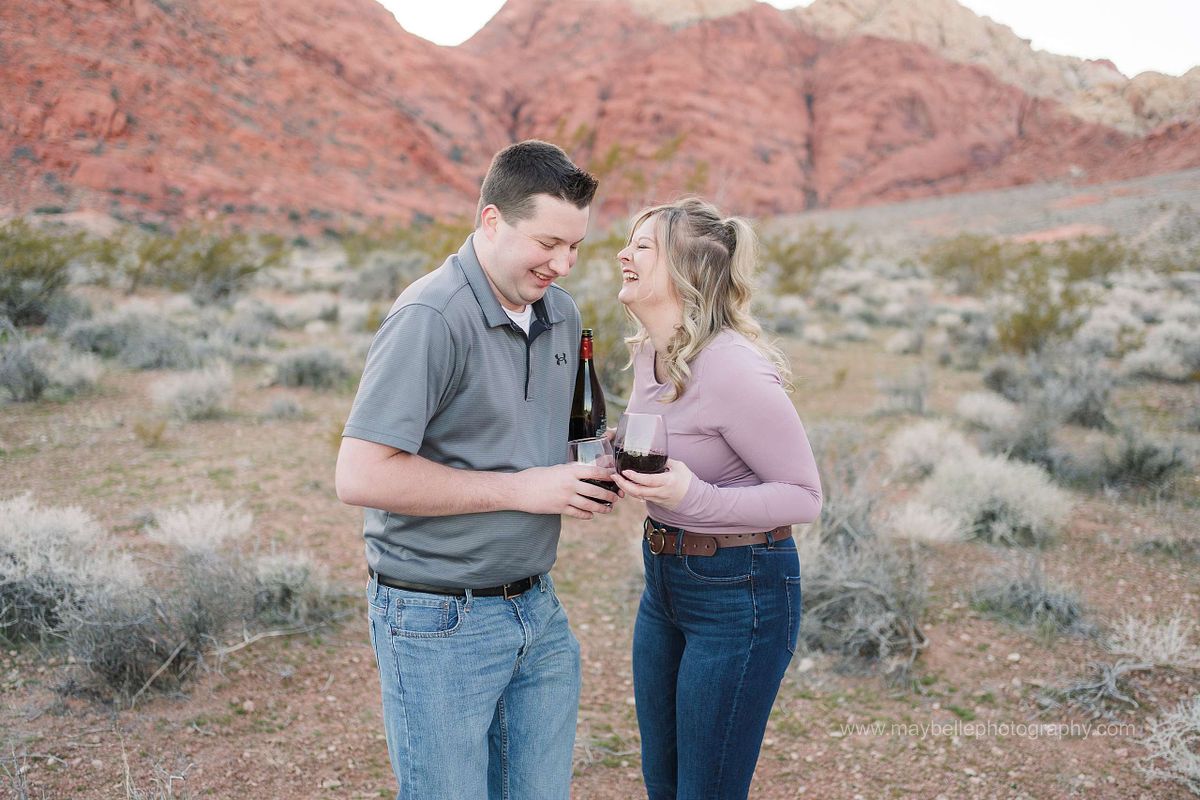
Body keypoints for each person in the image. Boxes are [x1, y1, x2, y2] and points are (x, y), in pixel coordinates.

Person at [335, 140, 617, 800]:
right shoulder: (430, 316)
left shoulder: (563, 314)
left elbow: (558, 432)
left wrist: (609, 453)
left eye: (575, 247)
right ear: (491, 221)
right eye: (548, 243)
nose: (563, 263)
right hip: (437, 620)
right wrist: (526, 489)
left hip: (537, 612)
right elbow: (361, 475)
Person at [610, 198, 823, 800]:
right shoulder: (652, 352)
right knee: (664, 782)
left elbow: (804, 496)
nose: (622, 255)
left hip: (742, 592)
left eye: (641, 246)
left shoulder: (730, 366)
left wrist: (692, 496)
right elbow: (676, 442)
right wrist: (613, 456)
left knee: (704, 790)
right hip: (666, 582)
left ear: (685, 270)